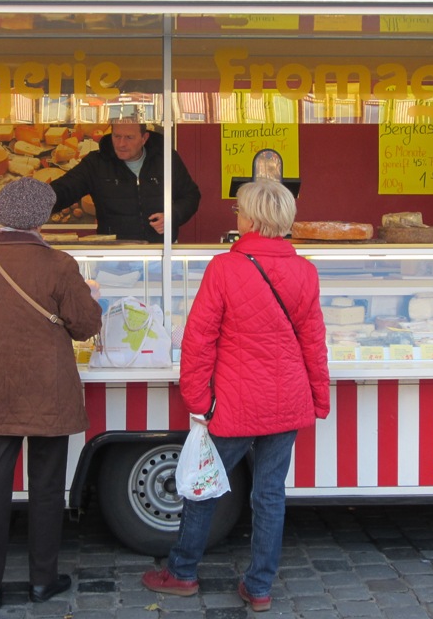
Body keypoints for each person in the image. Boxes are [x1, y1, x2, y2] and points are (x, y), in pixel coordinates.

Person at [141, 179, 330, 612]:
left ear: (251, 218)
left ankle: (183, 572)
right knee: (270, 494)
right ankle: (259, 587)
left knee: (202, 488)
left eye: (239, 210)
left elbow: (198, 340)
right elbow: (313, 343)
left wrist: (198, 400)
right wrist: (318, 398)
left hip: (233, 402)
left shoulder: (225, 268)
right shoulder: (305, 271)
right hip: (287, 401)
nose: (237, 216)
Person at [0, 177, 103, 610]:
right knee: (47, 487)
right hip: (48, 389)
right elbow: (85, 325)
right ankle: (42, 580)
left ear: (0, 214)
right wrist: (90, 298)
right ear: (45, 218)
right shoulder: (59, 264)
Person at [49, 118, 201, 242]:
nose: (121, 144)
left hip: (159, 252)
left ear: (144, 138)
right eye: (117, 136)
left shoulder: (166, 159)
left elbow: (190, 195)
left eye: (129, 137)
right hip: (112, 256)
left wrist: (173, 215)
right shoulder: (96, 163)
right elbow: (64, 190)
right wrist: (33, 201)